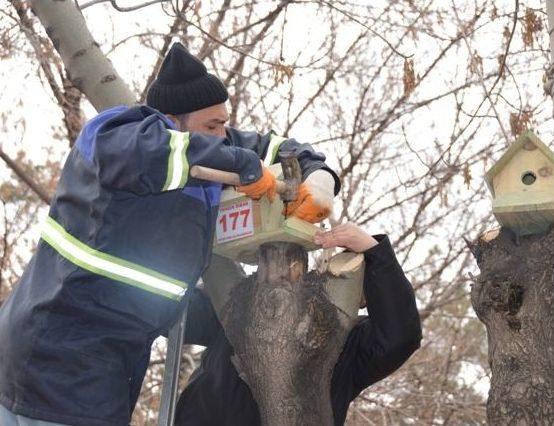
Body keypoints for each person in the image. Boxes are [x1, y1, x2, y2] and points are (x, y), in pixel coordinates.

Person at [0, 42, 339, 426]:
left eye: (224, 123)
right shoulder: (117, 133)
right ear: (169, 119)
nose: (222, 134)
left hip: (104, 359)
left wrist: (318, 178)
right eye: (211, 126)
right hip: (60, 350)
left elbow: (278, 148)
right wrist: (243, 166)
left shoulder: (211, 145)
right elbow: (152, 155)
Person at [174, 223, 422, 426]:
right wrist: (196, 229)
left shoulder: (344, 343)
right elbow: (173, 312)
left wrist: (374, 251)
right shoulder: (236, 307)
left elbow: (399, 336)